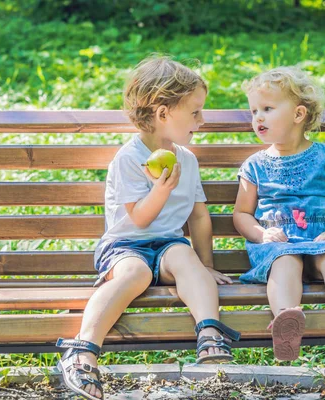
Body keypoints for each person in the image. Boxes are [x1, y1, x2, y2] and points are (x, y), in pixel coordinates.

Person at [56, 56, 240, 400]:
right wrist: (161, 190)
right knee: (135, 275)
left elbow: (198, 217)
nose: (202, 120)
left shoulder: (186, 158)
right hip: (126, 247)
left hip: (169, 244)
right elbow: (138, 219)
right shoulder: (129, 158)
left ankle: (210, 332)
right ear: (163, 113)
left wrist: (207, 265)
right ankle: (82, 351)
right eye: (195, 112)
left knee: (188, 261)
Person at [233, 66, 325, 361]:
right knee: (286, 262)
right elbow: (242, 214)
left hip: (321, 240)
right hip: (280, 247)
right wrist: (262, 234)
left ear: (298, 115)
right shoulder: (255, 165)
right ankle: (287, 321)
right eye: (253, 111)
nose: (257, 117)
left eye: (267, 109)